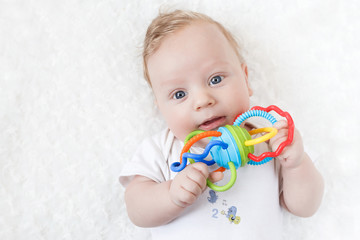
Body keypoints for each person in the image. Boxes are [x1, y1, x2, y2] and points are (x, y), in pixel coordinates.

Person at [119, 9, 324, 239]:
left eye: (215, 79)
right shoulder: (162, 149)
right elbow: (136, 209)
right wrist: (171, 195)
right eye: (179, 94)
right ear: (161, 108)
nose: (203, 100)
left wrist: (296, 165)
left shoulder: (266, 138)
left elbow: (305, 207)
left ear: (245, 79)